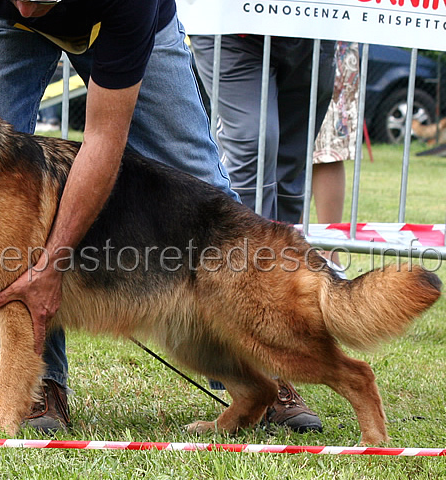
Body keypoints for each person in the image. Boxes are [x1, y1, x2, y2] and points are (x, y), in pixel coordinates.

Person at [0, 0, 240, 434]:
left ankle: (263, 378)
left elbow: (103, 141)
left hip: (119, 21)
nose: (30, 9)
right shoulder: (8, 10)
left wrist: (50, 265)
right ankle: (38, 389)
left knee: (192, 168)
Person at [191, 34, 336, 433]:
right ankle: (263, 368)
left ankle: (285, 340)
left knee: (290, 177)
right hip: (231, 26)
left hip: (309, 29)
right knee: (252, 153)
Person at [312, 41, 360, 268]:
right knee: (281, 151)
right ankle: (291, 250)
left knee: (329, 148)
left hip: (331, 31)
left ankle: (330, 258)